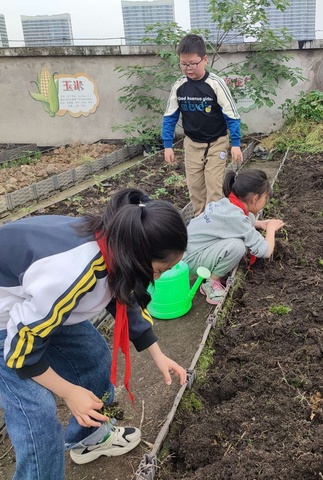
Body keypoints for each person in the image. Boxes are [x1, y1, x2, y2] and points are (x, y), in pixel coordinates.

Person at [0, 188, 188, 479]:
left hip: (36, 307)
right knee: (38, 418)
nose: (159, 277)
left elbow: (123, 298)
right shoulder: (72, 273)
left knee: (95, 359)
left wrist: (157, 353)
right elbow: (21, 349)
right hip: (8, 321)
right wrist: (70, 392)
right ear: (137, 256)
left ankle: (89, 437)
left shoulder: (115, 245)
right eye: (160, 269)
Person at [162, 33, 243, 217]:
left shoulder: (215, 84)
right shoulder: (179, 86)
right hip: (192, 144)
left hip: (217, 143)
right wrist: (167, 145)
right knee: (195, 188)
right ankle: (201, 221)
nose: (188, 68)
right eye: (183, 64)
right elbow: (170, 117)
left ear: (205, 60)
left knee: (214, 187)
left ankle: (214, 222)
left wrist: (236, 143)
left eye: (193, 63)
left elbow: (232, 115)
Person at [184, 169, 285, 305]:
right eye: (265, 198)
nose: (266, 201)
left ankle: (213, 270)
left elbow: (238, 223)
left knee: (247, 219)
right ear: (255, 199)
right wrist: (271, 229)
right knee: (237, 247)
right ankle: (211, 283)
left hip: (189, 250)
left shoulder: (227, 204)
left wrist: (260, 224)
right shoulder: (237, 218)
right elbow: (265, 251)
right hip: (191, 260)